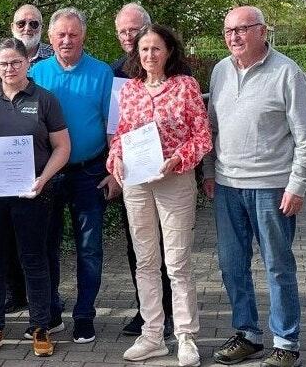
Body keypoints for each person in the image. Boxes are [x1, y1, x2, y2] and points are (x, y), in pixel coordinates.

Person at [203, 6, 306, 367]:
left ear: (263, 31)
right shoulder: (220, 71)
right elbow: (212, 128)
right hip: (226, 186)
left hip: (272, 187)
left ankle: (286, 342)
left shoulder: (287, 72)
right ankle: (248, 335)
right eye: (228, 31)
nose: (234, 37)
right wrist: (208, 171)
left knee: (278, 266)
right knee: (232, 264)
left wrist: (297, 184)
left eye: (242, 29)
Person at [106, 24, 211, 366]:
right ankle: (152, 334)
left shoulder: (185, 86)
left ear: (169, 51)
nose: (149, 55)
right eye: (144, 50)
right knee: (146, 261)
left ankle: (185, 337)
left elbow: (202, 137)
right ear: (136, 54)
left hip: (174, 180)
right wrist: (115, 158)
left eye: (156, 49)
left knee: (177, 263)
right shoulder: (130, 90)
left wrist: (179, 158)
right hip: (136, 183)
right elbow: (120, 134)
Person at [0, 37, 70, 357]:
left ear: (27, 64)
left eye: (16, 63)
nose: (9, 69)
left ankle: (40, 326)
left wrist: (43, 178)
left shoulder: (45, 99)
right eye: (3, 63)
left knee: (33, 259)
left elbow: (63, 147)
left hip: (32, 191)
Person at [29, 7, 118, 343]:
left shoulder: (102, 73)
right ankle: (50, 311)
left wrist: (114, 170)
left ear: (84, 36)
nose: (67, 40)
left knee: (89, 248)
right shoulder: (37, 73)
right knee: (45, 244)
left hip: (89, 171)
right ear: (50, 38)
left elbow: (114, 127)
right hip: (47, 174)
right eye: (60, 35)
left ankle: (84, 315)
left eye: (73, 34)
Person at [0, 4, 56, 315]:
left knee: (40, 249)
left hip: (37, 177)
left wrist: (44, 176)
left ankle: (44, 311)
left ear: (27, 64)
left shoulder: (50, 66)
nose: (27, 27)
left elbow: (58, 137)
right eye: (21, 22)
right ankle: (13, 301)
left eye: (33, 23)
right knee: (3, 250)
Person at [111, 3, 175, 338]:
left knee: (170, 248)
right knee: (139, 246)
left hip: (168, 174)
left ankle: (171, 313)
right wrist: (113, 165)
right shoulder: (115, 72)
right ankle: (146, 312)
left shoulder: (173, 69)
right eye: (123, 30)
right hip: (132, 174)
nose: (129, 36)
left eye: (134, 30)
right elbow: (115, 128)